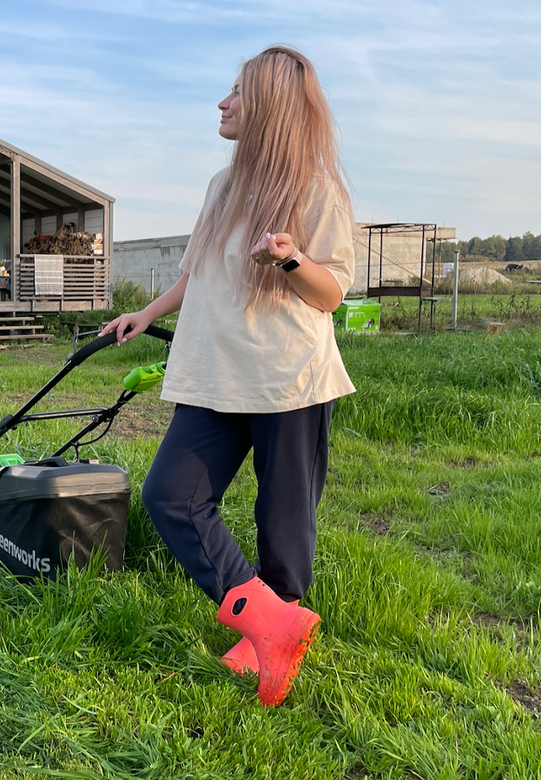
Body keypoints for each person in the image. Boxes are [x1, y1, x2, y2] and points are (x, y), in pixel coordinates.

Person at [101, 46, 355, 707]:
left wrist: (291, 258)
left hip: (287, 381)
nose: (222, 102)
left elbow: (331, 295)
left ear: (268, 105)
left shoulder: (316, 190)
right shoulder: (221, 189)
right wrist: (146, 311)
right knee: (171, 496)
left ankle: (269, 639)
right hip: (214, 377)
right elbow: (197, 269)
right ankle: (273, 625)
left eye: (236, 93)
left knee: (283, 522)